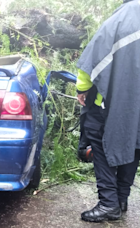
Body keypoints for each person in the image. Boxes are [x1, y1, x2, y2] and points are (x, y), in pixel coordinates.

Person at [76, 0, 140, 223]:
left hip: (113, 105)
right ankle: (121, 199)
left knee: (98, 137)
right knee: (134, 143)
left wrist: (81, 89)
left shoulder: (123, 18)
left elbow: (95, 58)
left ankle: (108, 204)